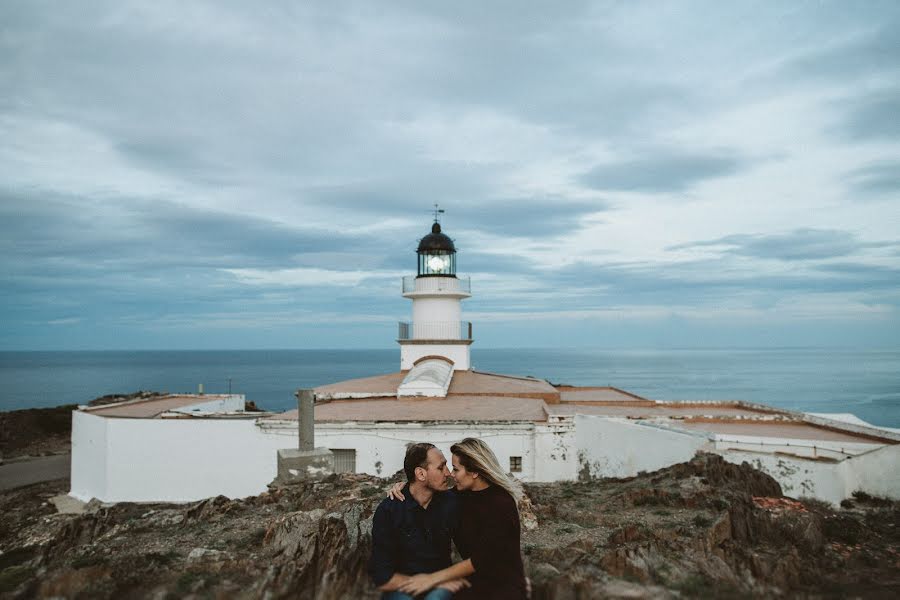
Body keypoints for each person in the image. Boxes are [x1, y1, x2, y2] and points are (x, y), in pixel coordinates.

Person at [390, 438, 528, 600]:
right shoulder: (457, 497)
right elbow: (424, 495)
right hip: (473, 583)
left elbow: (482, 559)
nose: (451, 474)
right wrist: (404, 488)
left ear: (475, 471)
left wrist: (431, 579)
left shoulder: (502, 504)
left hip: (504, 589)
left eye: (456, 469)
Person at [369, 442, 471, 600]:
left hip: (441, 585)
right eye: (441, 467)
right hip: (401, 587)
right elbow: (382, 576)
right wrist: (429, 583)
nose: (449, 473)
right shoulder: (389, 510)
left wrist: (435, 581)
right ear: (421, 474)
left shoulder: (452, 502)